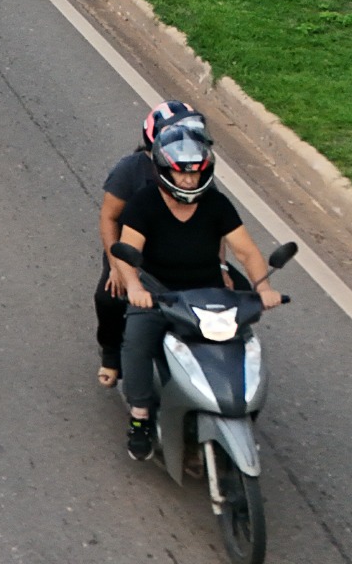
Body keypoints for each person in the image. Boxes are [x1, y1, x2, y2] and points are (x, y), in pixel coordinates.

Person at [109, 118, 281, 461]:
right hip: (159, 293)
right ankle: (140, 416)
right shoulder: (144, 203)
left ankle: (240, 408)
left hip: (209, 293)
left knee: (242, 344)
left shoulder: (217, 205)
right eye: (182, 172)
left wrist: (263, 287)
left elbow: (246, 251)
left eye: (196, 172)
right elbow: (127, 253)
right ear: (164, 170)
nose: (189, 179)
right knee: (136, 342)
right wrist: (133, 286)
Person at [95, 101, 201, 387]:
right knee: (109, 298)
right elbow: (109, 218)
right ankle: (111, 353)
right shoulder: (130, 170)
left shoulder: (196, 171)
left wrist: (219, 266)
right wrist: (117, 267)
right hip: (132, 250)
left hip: (180, 250)